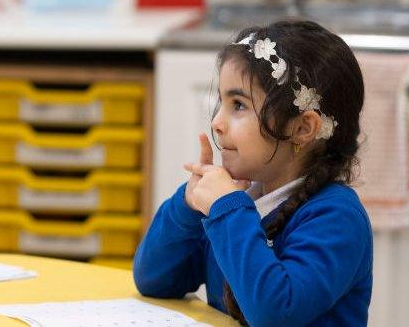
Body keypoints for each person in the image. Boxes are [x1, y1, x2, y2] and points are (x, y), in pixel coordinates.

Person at [134, 20, 373, 325]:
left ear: (302, 128)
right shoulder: (240, 202)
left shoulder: (337, 218)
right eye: (222, 102)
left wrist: (228, 210)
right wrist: (188, 204)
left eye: (239, 106)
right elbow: (153, 280)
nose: (218, 122)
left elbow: (276, 313)